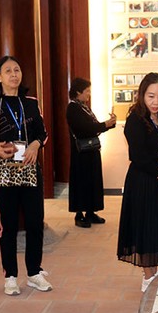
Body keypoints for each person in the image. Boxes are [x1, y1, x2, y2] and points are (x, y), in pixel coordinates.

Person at [0, 56, 51, 296]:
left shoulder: (31, 103)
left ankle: (34, 273)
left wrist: (36, 145)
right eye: (8, 71)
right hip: (3, 173)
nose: (14, 74)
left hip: (29, 168)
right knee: (9, 225)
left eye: (17, 69)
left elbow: (42, 133)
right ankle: (11, 276)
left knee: (35, 223)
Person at [117, 72, 158, 292]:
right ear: (142, 95)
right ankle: (148, 277)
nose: (156, 102)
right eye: (151, 96)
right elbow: (138, 155)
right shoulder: (135, 119)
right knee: (145, 227)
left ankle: (154, 273)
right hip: (143, 181)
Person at [66, 77, 116, 228]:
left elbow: (93, 126)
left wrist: (109, 124)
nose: (88, 94)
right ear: (78, 92)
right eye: (86, 91)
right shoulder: (73, 108)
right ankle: (79, 214)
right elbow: (84, 128)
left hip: (91, 150)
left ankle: (90, 211)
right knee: (81, 182)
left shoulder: (84, 107)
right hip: (81, 153)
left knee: (92, 182)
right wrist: (103, 125)